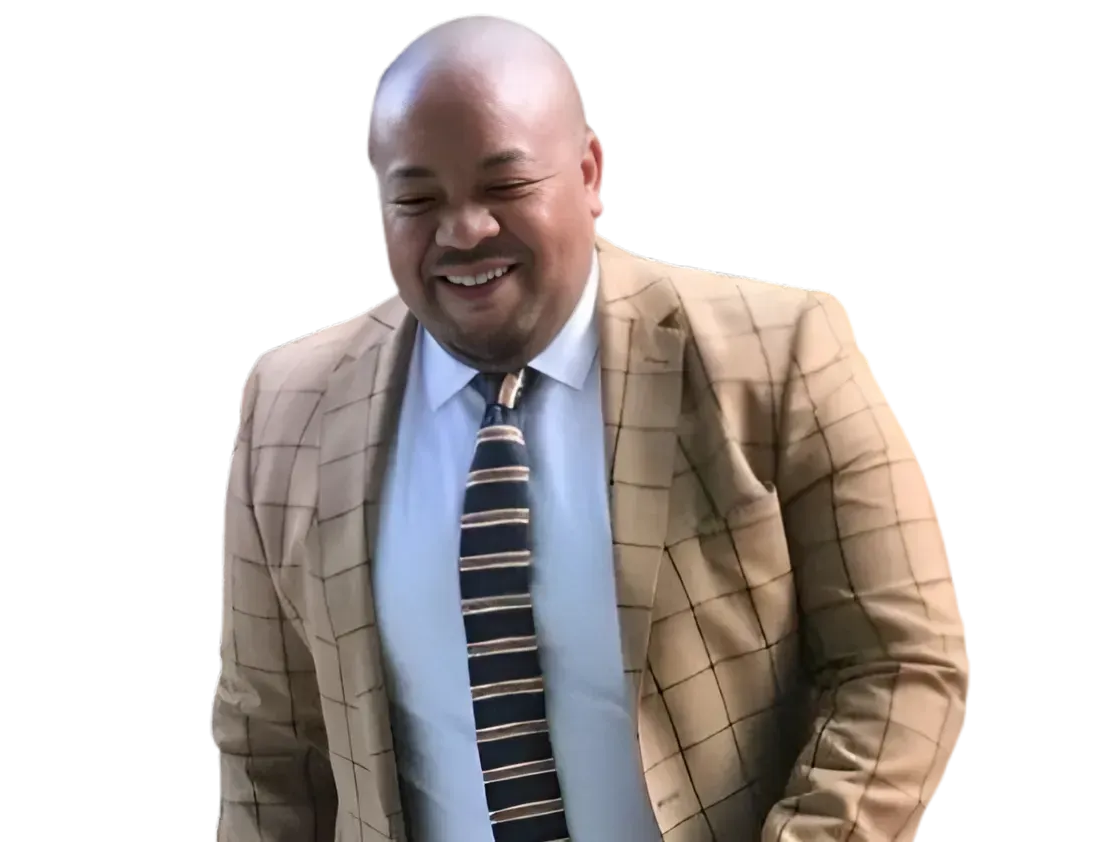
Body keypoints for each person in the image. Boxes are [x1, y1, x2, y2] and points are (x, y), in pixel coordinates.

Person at [213, 14, 971, 842]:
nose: (464, 229)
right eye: (418, 199)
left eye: (505, 185)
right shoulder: (290, 407)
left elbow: (902, 666)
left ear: (589, 173)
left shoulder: (780, 356)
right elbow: (270, 746)